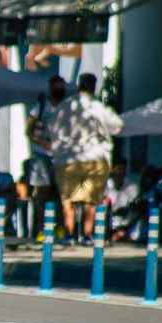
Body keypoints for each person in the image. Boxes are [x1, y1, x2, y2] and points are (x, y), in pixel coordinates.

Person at [47, 73, 124, 246]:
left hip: (67, 157)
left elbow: (51, 127)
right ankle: (87, 236)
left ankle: (69, 235)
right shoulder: (98, 107)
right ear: (94, 87)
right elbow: (117, 126)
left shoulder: (65, 106)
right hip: (96, 156)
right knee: (91, 199)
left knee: (68, 200)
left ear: (78, 86)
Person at [27, 76, 66, 242]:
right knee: (42, 193)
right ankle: (42, 229)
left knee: (60, 193)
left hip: (61, 155)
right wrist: (43, 143)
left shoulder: (67, 108)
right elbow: (28, 131)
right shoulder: (40, 108)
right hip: (41, 154)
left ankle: (60, 227)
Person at [105, 157, 139, 243]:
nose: (121, 172)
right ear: (112, 170)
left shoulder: (132, 187)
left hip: (126, 223)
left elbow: (135, 209)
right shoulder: (105, 187)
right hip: (108, 222)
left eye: (123, 169)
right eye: (118, 169)